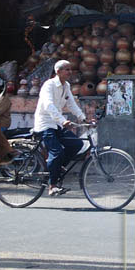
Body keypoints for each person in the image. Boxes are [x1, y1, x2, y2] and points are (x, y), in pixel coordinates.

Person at [33, 60, 86, 196]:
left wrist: (83, 118)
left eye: (70, 69)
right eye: (67, 70)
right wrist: (63, 121)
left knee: (77, 144)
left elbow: (72, 104)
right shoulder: (48, 85)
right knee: (56, 152)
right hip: (45, 124)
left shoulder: (66, 86)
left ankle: (58, 167)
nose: (70, 72)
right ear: (58, 72)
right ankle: (52, 185)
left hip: (57, 124)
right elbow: (49, 105)